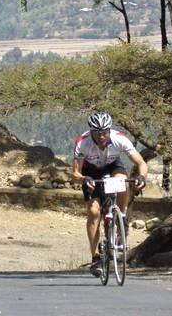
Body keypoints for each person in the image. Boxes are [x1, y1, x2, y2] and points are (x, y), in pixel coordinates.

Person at [72, 111, 147, 277]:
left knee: (123, 180)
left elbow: (141, 162)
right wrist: (84, 179)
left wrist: (141, 176)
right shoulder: (82, 143)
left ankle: (122, 218)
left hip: (112, 166)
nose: (101, 136)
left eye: (105, 132)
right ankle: (95, 258)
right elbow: (75, 174)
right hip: (90, 172)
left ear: (109, 131)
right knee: (93, 212)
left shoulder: (119, 138)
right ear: (91, 132)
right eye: (97, 133)